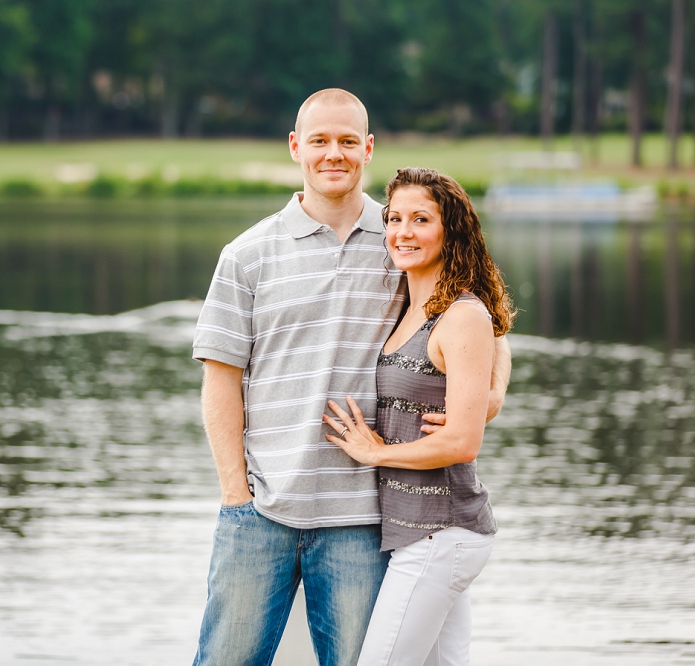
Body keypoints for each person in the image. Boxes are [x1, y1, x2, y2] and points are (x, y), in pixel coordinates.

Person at [191, 89, 511, 666]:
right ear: (296, 147)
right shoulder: (246, 255)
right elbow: (220, 380)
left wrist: (487, 397)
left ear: (367, 149)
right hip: (262, 510)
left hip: (363, 520)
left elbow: (485, 317)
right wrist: (236, 495)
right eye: (318, 141)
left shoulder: (399, 239)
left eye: (345, 141)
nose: (332, 153)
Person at [324, 167, 514, 665]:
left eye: (420, 219)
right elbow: (499, 335)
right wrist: (493, 390)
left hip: (441, 531)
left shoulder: (460, 314)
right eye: (394, 218)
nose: (402, 232)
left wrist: (376, 452)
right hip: (412, 532)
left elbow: (461, 444)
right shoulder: (411, 301)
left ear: (451, 230)